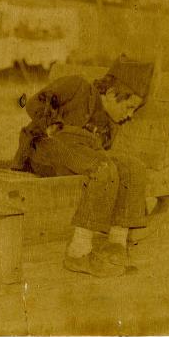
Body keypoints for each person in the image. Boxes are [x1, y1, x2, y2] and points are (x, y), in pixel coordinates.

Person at [12, 55, 154, 277]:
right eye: (128, 107)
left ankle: (115, 247)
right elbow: (34, 103)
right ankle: (78, 252)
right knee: (102, 167)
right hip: (43, 149)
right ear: (110, 93)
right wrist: (53, 125)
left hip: (77, 158)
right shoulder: (77, 87)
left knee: (133, 167)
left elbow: (94, 154)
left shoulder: (109, 125)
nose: (129, 115)